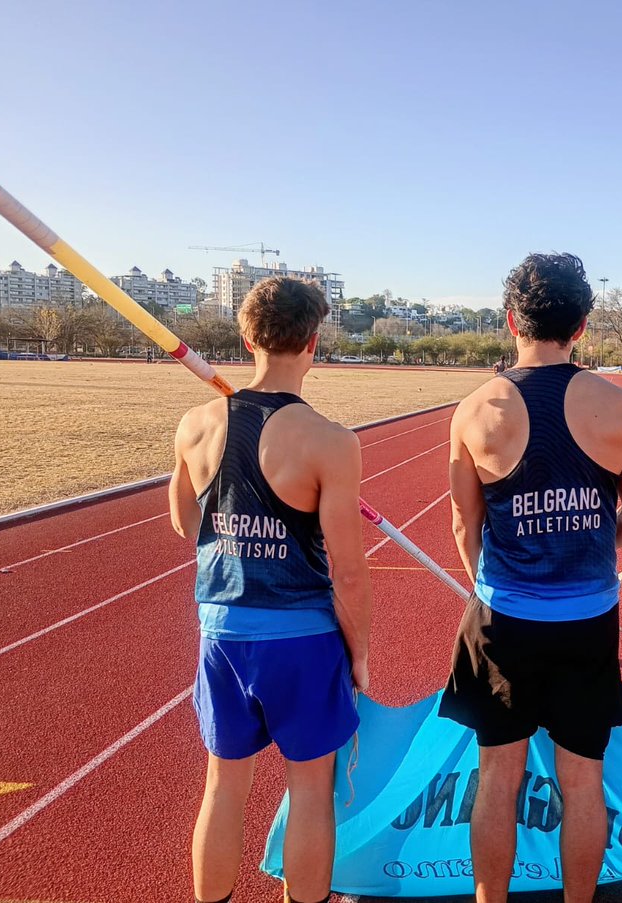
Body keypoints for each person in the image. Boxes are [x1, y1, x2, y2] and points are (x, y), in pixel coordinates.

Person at [441, 252, 622, 903]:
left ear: (511, 319)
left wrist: (497, 582)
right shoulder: (618, 406)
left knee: (497, 776)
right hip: (588, 620)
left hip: (503, 621)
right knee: (582, 779)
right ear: (582, 324)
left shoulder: (476, 410)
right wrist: (591, 548)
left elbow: (463, 528)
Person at [168, 276, 373, 903]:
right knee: (311, 789)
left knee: (222, 787)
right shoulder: (331, 442)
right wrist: (359, 652)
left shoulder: (197, 425)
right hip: (303, 638)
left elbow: (184, 524)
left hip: (223, 632)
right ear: (314, 342)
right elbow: (348, 568)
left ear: (246, 336)